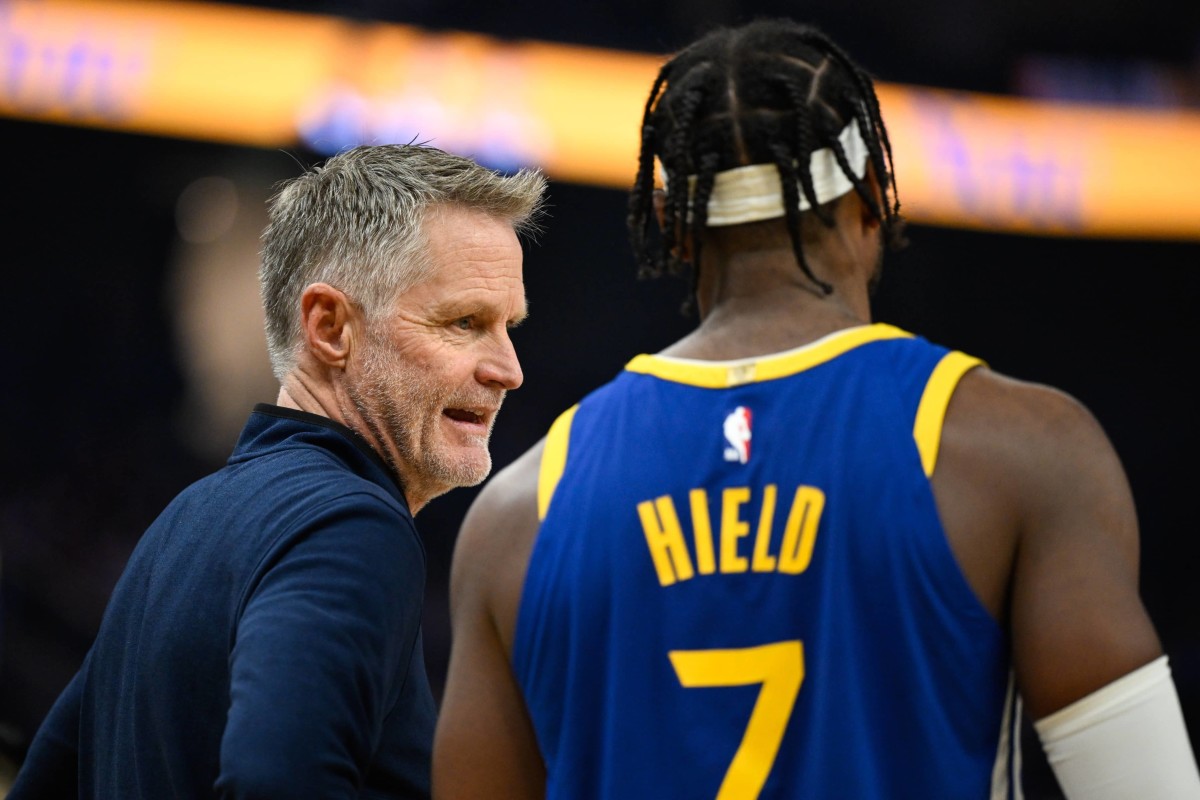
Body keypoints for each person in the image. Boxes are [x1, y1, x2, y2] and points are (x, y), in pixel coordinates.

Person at [431, 19, 1200, 799]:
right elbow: (1147, 787)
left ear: (671, 227)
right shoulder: (1019, 451)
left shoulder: (520, 513)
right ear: (874, 197)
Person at [9, 143, 546, 799]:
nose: (508, 369)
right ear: (329, 327)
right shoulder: (350, 529)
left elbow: (45, 784)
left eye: (508, 327)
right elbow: (275, 781)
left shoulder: (183, 522)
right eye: (464, 322)